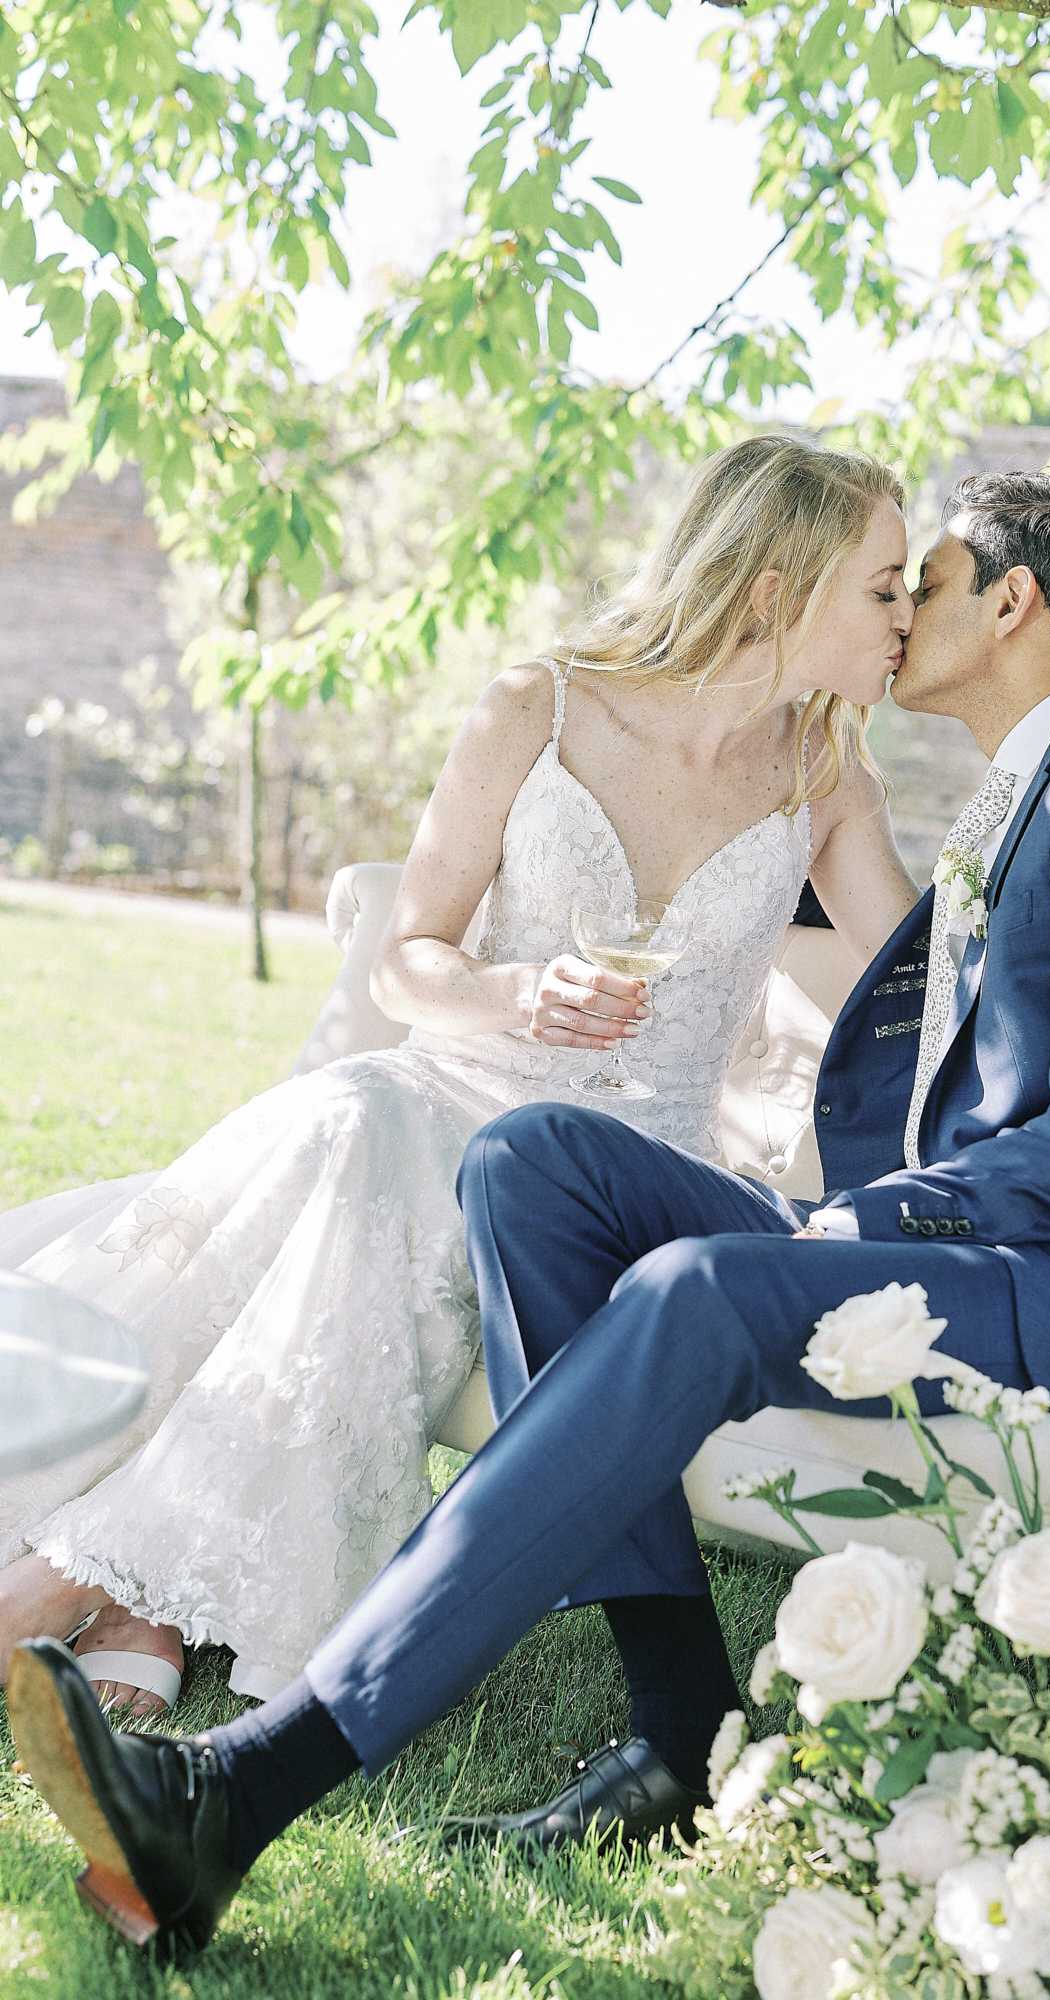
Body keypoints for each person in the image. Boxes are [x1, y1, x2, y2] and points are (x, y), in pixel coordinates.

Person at [7, 469, 1050, 1959]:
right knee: (534, 1163)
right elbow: (922, 1033)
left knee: (691, 1288)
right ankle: (678, 1729)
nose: (896, 614)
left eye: (915, 583)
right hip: (1008, 1238)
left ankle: (242, 1787)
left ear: (1010, 603)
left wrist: (844, 1227)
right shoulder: (1014, 796)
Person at [0, 433, 919, 1718]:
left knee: (365, 1156)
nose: (905, 613)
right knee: (361, 1117)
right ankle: (136, 1592)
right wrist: (510, 992)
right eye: (880, 585)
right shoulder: (535, 708)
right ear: (772, 588)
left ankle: (66, 1587)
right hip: (450, 1086)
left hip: (617, 1174)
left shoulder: (826, 772)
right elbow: (406, 961)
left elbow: (917, 973)